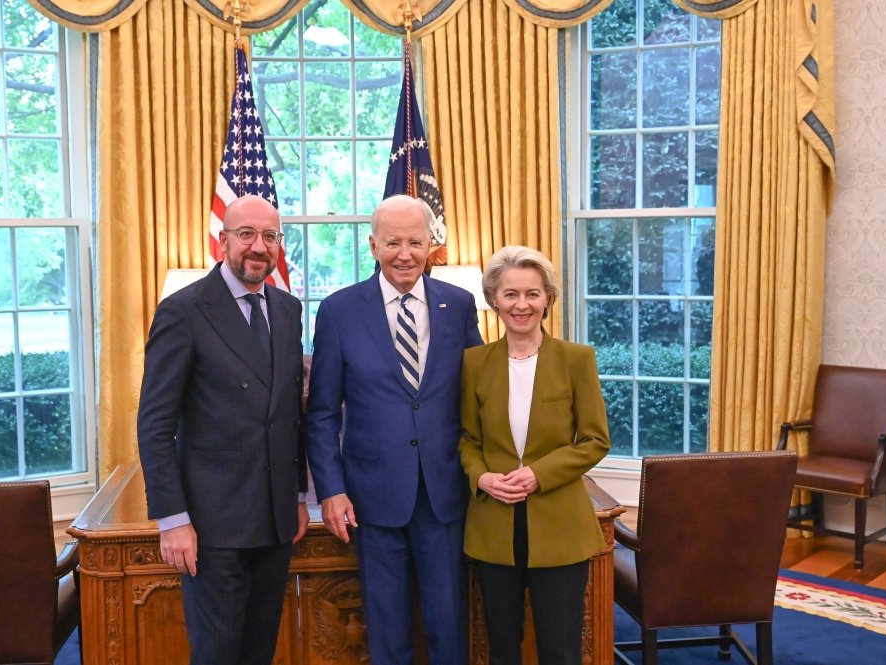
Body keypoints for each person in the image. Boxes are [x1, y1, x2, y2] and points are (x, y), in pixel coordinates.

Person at [306, 194, 484, 665]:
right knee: (386, 631)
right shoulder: (339, 310)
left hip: (445, 492)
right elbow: (322, 412)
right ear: (372, 245)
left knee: (448, 624)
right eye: (392, 242)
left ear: (431, 245)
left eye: (414, 242)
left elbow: (480, 396)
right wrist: (331, 490)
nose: (404, 253)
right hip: (372, 497)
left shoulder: (459, 304)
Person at [136, 194, 309, 665]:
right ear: (223, 240)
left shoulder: (289, 310)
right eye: (246, 234)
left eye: (269, 236)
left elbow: (290, 413)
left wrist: (296, 496)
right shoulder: (184, 310)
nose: (258, 246)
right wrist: (172, 520)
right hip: (212, 525)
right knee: (217, 654)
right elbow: (154, 424)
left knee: (259, 652)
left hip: (275, 522)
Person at [458, 245, 610, 665]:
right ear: (494, 300)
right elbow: (468, 439)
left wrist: (538, 474)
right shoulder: (474, 362)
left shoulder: (577, 359)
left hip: (560, 526)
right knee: (502, 649)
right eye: (510, 294)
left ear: (548, 299)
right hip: (493, 526)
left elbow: (595, 440)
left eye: (532, 294)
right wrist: (482, 477)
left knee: (561, 651)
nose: (521, 305)